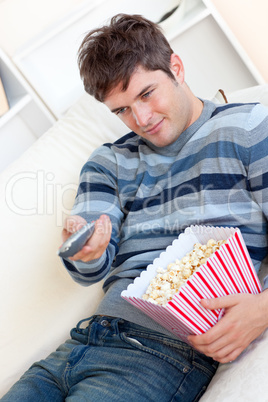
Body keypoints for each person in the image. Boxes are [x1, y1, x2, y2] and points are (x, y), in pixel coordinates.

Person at [2, 13, 268, 402]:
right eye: (121, 110)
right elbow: (90, 263)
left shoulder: (248, 127)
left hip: (161, 352)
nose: (140, 119)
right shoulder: (109, 161)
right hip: (78, 344)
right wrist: (86, 250)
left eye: (146, 94)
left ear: (175, 66)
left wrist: (262, 307)